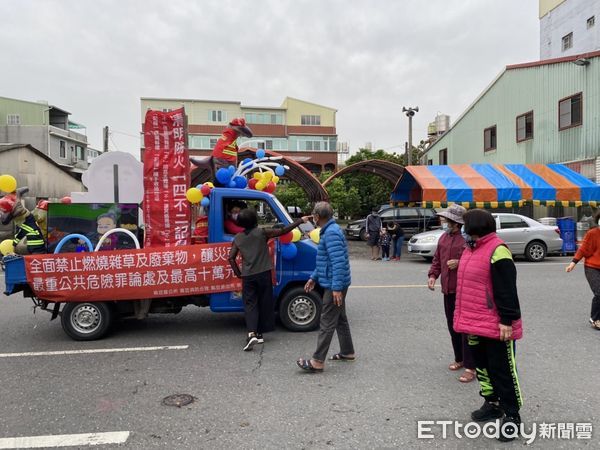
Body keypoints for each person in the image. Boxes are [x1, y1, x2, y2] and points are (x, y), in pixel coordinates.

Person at [454, 209, 523, 442]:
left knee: (502, 370)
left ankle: (512, 415)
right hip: (473, 321)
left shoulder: (498, 251)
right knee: (482, 367)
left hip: (495, 323)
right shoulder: (471, 248)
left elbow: (506, 289)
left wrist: (507, 320)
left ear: (475, 227)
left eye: (465, 225)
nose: (462, 229)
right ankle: (492, 403)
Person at [229, 209, 310, 351]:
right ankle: (260, 334)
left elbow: (231, 257)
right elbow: (283, 231)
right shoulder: (262, 233)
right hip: (264, 273)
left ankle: (251, 333)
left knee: (250, 304)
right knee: (264, 302)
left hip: (248, 276)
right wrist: (300, 221)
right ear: (255, 220)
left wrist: (238, 273)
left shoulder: (238, 238)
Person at [297, 202, 355, 372]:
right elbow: (325, 260)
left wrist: (336, 287)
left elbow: (338, 262)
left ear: (317, 216)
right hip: (334, 281)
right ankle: (347, 352)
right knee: (340, 318)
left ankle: (317, 361)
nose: (313, 218)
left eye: (313, 215)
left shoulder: (331, 233)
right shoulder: (330, 230)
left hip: (334, 284)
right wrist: (313, 278)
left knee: (327, 320)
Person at [427, 204, 474, 383]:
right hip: (448, 290)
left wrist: (460, 262)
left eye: (447, 219)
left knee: (465, 329)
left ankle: (472, 366)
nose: (444, 221)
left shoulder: (468, 239)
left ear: (456, 222)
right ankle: (459, 359)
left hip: (464, 291)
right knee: (453, 326)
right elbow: (437, 259)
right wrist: (433, 275)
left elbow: (476, 261)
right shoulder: (444, 238)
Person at [565, 210, 600, 330]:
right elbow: (583, 249)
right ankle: (595, 319)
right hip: (592, 267)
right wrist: (573, 263)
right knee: (599, 292)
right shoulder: (592, 233)